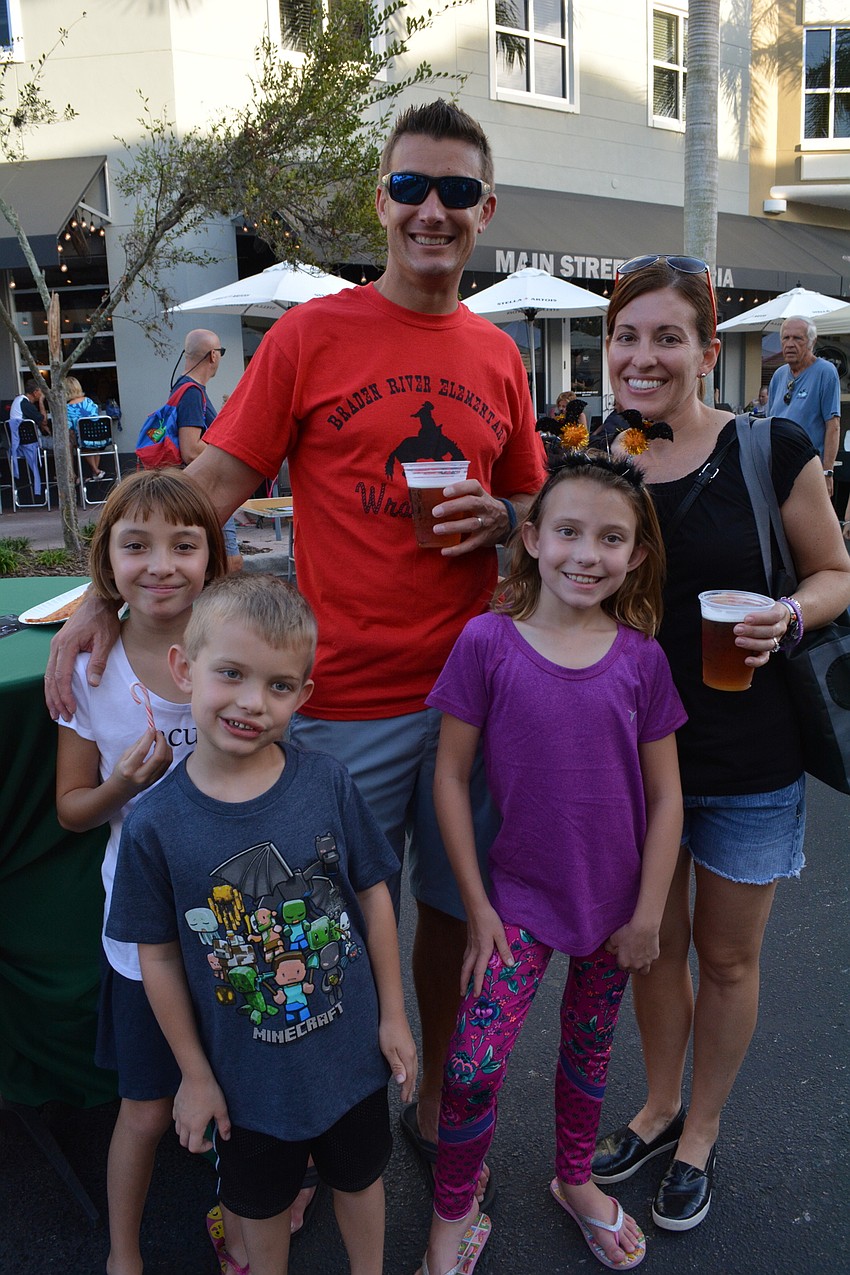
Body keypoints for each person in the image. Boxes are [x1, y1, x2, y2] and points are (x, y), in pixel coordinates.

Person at [45, 98, 547, 1219]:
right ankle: (309, 1114)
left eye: (456, 192)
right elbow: (209, 490)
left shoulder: (498, 354)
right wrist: (95, 597)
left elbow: (529, 500)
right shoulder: (313, 336)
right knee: (311, 923)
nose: (432, 210)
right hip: (341, 705)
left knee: (447, 916)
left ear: (485, 212)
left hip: (467, 698)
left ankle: (408, 1100)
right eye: (411, 188)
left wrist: (506, 525)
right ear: (380, 201)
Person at [590, 255, 850, 1232]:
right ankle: (658, 1107)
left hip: (748, 756)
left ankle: (699, 1128)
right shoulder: (597, 459)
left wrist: (787, 610)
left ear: (706, 349)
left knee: (727, 960)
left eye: (666, 337)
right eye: (627, 335)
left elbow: (834, 572)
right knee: (650, 950)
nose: (643, 355)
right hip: (632, 764)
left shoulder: (770, 448)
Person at [417, 453, 686, 1274]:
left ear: (636, 554)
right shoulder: (487, 642)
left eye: (611, 538)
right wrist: (478, 904)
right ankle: (451, 1211)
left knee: (589, 1051)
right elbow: (450, 777)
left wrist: (647, 915)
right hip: (516, 905)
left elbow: (668, 799)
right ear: (530, 537)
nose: (586, 553)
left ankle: (575, 1178)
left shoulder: (642, 658)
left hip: (613, 911)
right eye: (567, 530)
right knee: (469, 1068)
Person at [105, 573, 418, 1275]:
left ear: (304, 695)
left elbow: (373, 893)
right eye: (232, 674)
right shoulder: (155, 824)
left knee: (362, 1179)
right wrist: (192, 1073)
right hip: (245, 1085)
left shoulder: (328, 782)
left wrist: (394, 1015)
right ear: (185, 669)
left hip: (351, 1063)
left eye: (279, 685)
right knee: (260, 1211)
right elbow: (155, 956)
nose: (252, 701)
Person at [54, 469, 230, 1275]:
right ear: (108, 560)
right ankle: (123, 1252)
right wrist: (123, 784)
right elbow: (72, 809)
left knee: (247, 1081)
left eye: (183, 545)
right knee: (148, 1107)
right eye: (137, 545)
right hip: (146, 931)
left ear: (211, 556)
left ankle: (258, 1207)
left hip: (237, 919)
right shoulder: (92, 669)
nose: (161, 564)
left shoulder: (233, 643)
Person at [171, 329, 242, 571]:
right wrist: (229, 452)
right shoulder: (192, 392)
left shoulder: (186, 388)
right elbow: (190, 449)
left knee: (217, 563)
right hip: (207, 489)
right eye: (220, 352)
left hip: (198, 489)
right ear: (213, 355)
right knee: (229, 563)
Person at [766, 316, 841, 494]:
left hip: (809, 471)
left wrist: (827, 471)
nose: (790, 344)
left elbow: (833, 426)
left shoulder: (825, 372)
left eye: (797, 338)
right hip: (777, 469)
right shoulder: (778, 375)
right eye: (786, 338)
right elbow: (769, 424)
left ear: (811, 342)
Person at [65, 375, 105, 479]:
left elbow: (69, 428)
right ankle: (96, 472)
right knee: (93, 445)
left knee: (81, 443)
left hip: (84, 440)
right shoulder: (89, 401)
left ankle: (95, 470)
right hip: (100, 436)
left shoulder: (68, 408)